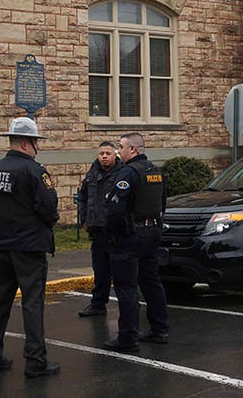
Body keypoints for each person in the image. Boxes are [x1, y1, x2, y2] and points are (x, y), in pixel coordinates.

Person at [0, 117, 60, 378]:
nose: (37, 147)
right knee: (32, 303)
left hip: (0, 245)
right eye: (35, 142)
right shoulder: (35, 171)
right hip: (28, 246)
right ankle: (35, 361)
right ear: (26, 144)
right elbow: (48, 207)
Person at [102, 132, 169, 352]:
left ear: (133, 150)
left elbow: (114, 208)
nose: (118, 151)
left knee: (126, 286)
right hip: (152, 232)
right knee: (151, 281)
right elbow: (162, 203)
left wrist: (109, 235)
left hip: (130, 235)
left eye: (121, 147)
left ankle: (128, 338)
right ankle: (160, 329)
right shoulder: (156, 172)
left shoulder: (128, 173)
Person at [75, 141, 122, 317]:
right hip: (97, 229)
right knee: (100, 269)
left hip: (115, 230)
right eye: (101, 153)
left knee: (119, 270)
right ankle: (98, 304)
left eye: (108, 153)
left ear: (115, 155)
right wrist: (84, 218)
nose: (104, 156)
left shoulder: (122, 173)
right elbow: (83, 197)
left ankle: (126, 304)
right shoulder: (92, 173)